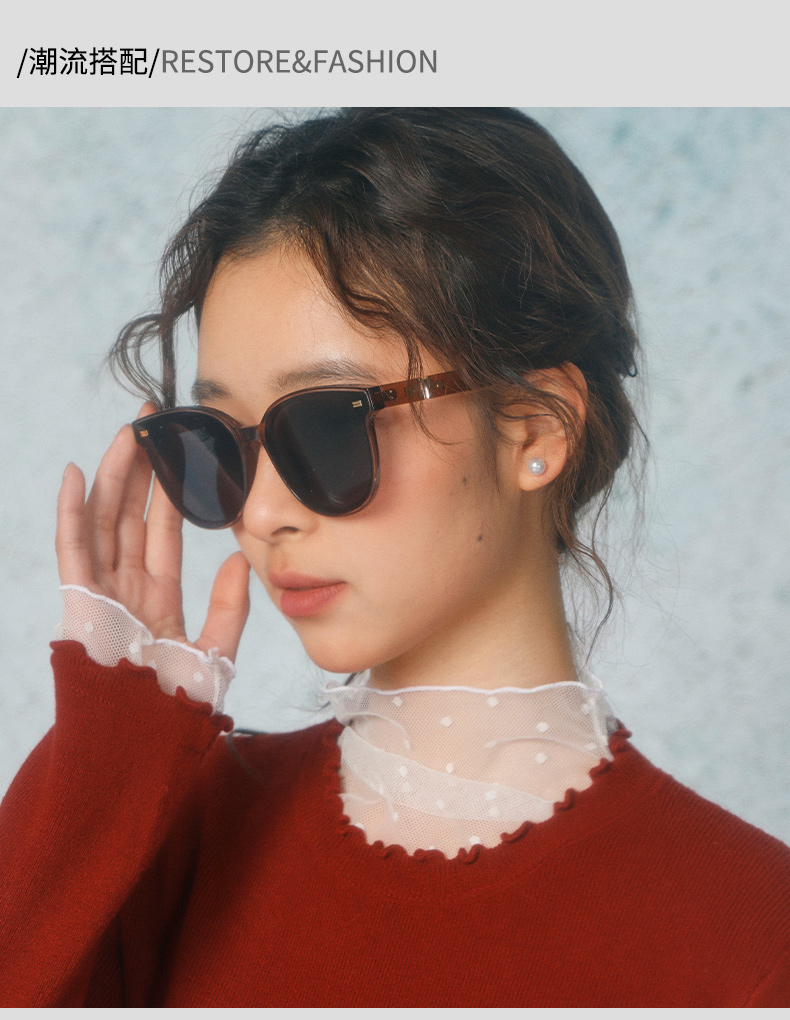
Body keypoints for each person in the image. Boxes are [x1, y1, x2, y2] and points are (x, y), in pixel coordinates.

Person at [0, 107, 788, 1007]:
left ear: (536, 428)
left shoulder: (753, 936)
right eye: (220, 441)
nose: (259, 513)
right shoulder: (160, 831)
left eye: (327, 426)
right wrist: (105, 754)